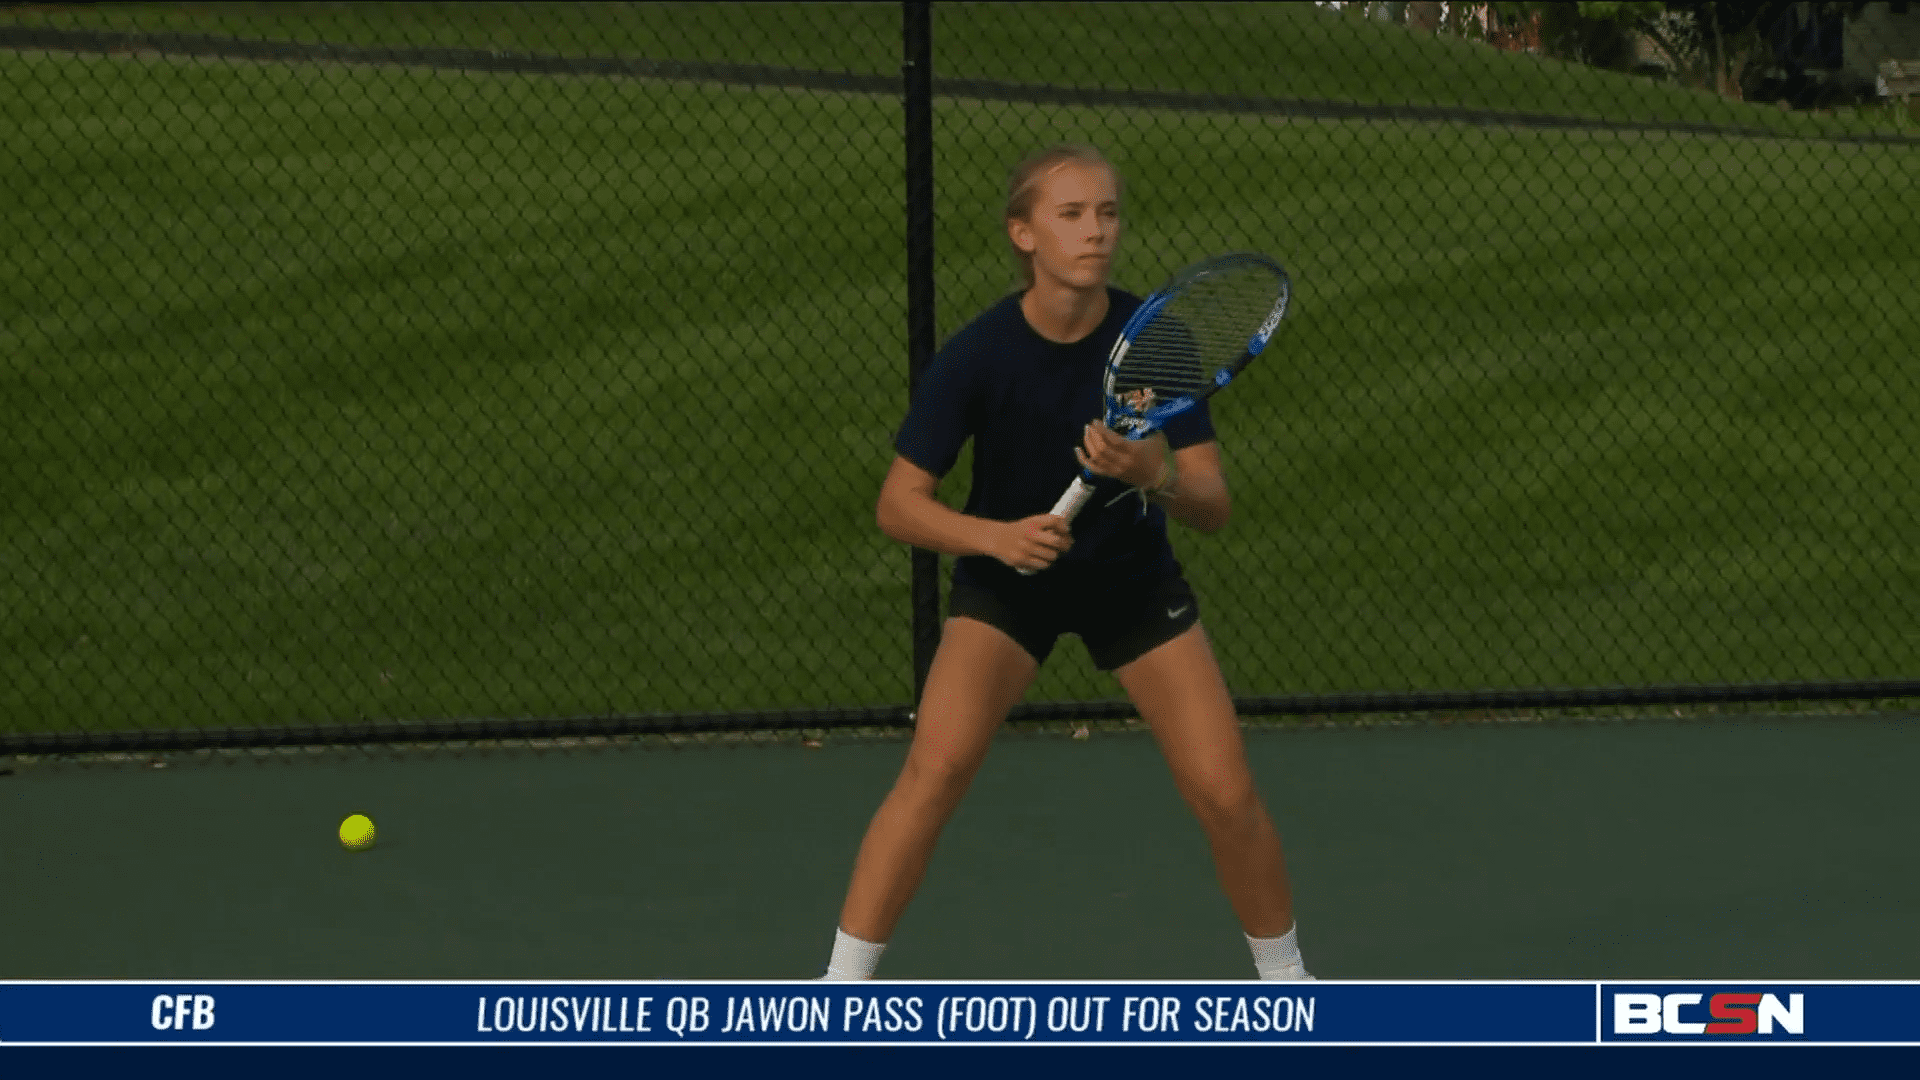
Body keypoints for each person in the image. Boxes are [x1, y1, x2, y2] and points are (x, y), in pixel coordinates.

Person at [821, 144, 1310, 982]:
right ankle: (836, 1000)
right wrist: (997, 538)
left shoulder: (1157, 336)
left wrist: (1148, 473)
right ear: (1024, 234)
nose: (1096, 233)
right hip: (1008, 585)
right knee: (934, 772)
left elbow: (1212, 505)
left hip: (1130, 581)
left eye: (1108, 213)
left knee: (1227, 794)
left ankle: (1293, 993)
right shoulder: (978, 355)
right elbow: (897, 504)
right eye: (1072, 215)